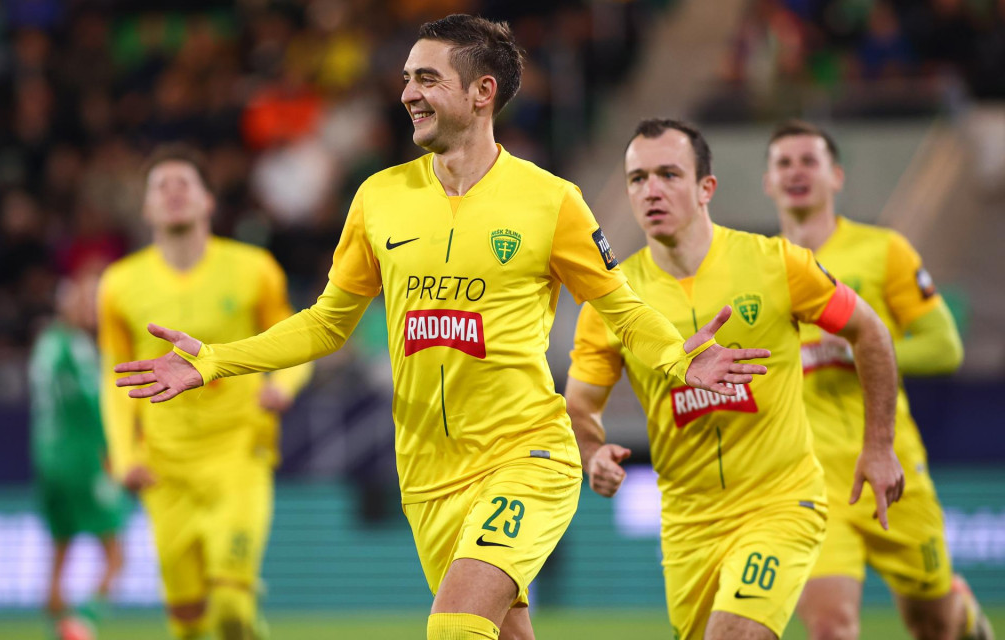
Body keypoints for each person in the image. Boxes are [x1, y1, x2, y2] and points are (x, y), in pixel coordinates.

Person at [111, 16, 771, 640]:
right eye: (406, 79)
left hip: (525, 455)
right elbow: (325, 324)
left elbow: (621, 308)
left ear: (482, 93)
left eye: (427, 79)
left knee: (453, 626)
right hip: (426, 473)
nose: (407, 94)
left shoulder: (551, 201)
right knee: (505, 628)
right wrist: (215, 361)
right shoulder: (378, 198)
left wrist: (683, 361)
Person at [565, 119, 904, 640]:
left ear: (707, 188)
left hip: (780, 501)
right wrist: (592, 453)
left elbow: (871, 331)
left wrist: (879, 446)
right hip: (687, 523)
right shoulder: (613, 300)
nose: (651, 190)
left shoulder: (776, 264)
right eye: (637, 178)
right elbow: (582, 404)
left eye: (668, 174)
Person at [763, 120, 994, 640]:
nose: (796, 171)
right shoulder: (759, 267)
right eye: (783, 162)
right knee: (830, 625)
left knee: (933, 624)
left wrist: (859, 350)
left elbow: (944, 346)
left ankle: (958, 611)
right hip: (810, 478)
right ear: (767, 183)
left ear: (836, 176)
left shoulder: (882, 249)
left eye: (809, 160)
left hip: (891, 465)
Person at [98, 143, 313, 640]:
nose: (173, 194)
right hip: (166, 467)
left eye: (184, 184)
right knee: (189, 622)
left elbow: (293, 341)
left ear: (208, 201)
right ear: (146, 207)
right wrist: (124, 451)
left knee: (232, 610)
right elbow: (114, 379)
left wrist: (282, 385)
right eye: (161, 187)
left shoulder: (253, 268)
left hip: (238, 454)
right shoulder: (118, 284)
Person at [30, 270, 127, 640]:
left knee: (59, 555)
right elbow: (94, 403)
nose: (91, 309)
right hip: (83, 460)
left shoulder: (45, 344)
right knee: (117, 556)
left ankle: (56, 627)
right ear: (66, 303)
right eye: (84, 300)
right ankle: (83, 622)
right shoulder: (78, 347)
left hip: (47, 459)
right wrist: (112, 453)